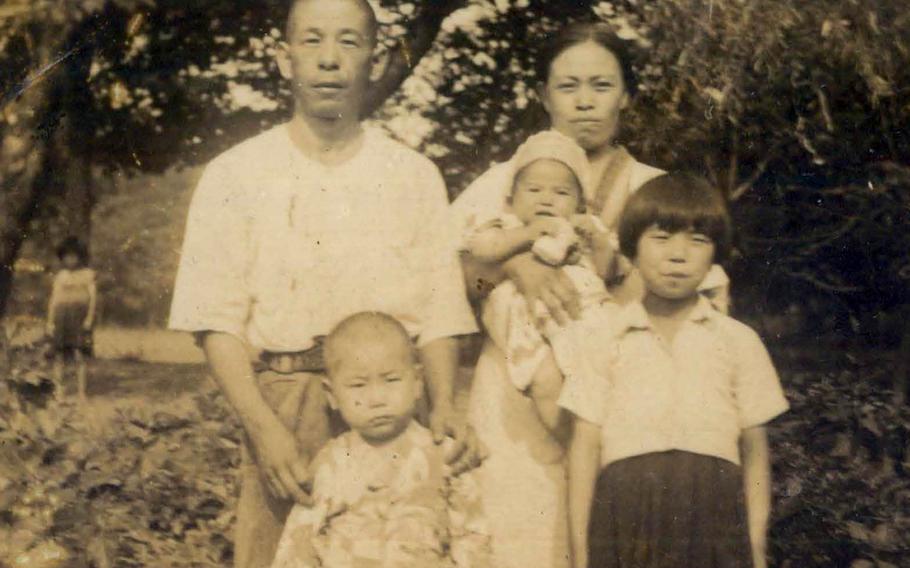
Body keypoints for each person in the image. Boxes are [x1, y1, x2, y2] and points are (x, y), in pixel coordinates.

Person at [168, 1, 478, 566]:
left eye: (348, 42)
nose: (329, 61)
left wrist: (446, 407)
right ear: (285, 60)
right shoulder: (236, 174)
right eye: (312, 42)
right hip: (287, 406)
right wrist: (265, 431)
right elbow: (215, 322)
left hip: (394, 409)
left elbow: (440, 314)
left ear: (375, 59)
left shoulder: (412, 175)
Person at [560, 173, 789, 568]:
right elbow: (584, 450)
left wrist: (755, 545)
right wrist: (581, 555)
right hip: (626, 512)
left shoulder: (737, 340)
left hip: (713, 516)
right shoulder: (603, 338)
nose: (678, 255)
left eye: (697, 240)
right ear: (631, 248)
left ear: (715, 252)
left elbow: (754, 451)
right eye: (661, 238)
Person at [270, 312, 491, 568]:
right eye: (358, 386)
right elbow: (299, 543)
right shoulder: (331, 463)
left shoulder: (445, 455)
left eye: (391, 380)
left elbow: (474, 539)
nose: (377, 398)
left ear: (418, 382)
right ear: (331, 394)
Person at [465, 130, 612, 442]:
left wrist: (596, 240)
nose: (546, 198)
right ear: (511, 199)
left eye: (561, 193)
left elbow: (609, 269)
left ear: (580, 204)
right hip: (524, 322)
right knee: (545, 380)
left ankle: (593, 447)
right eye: (533, 189)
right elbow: (482, 249)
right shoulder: (506, 226)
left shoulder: (581, 228)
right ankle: (570, 443)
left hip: (575, 316)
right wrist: (528, 234)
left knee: (596, 376)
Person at [46, 236, 96, 401]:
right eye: (67, 256)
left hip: (79, 316)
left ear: (80, 256)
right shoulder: (61, 275)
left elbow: (93, 298)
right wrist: (50, 321)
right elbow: (54, 299)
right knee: (59, 354)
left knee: (78, 354)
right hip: (62, 316)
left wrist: (89, 318)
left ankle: (81, 392)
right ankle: (59, 392)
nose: (70, 259)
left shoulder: (88, 274)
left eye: (74, 256)